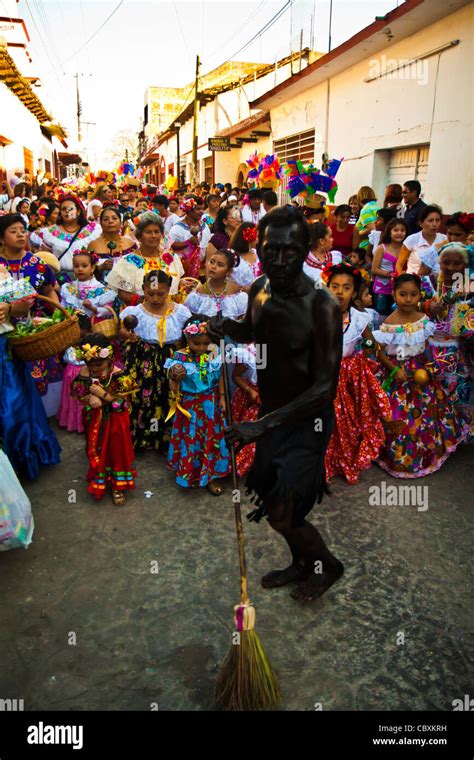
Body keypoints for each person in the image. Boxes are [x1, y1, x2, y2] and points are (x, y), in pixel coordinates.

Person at [208, 206, 344, 603]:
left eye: (291, 251)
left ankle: (326, 566)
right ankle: (302, 563)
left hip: (306, 423)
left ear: (306, 250)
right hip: (271, 416)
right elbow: (253, 331)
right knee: (273, 506)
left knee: (286, 513)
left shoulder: (323, 306)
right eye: (271, 251)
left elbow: (323, 388)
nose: (280, 261)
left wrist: (260, 427)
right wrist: (225, 329)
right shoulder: (260, 288)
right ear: (258, 249)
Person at [373, 274, 470, 477]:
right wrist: (394, 369)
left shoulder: (423, 319)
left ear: (419, 295)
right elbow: (378, 352)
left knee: (429, 414)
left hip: (421, 372)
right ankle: (398, 457)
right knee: (398, 418)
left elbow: (425, 345)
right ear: (393, 294)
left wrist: (430, 367)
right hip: (397, 376)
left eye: (413, 294)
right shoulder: (389, 323)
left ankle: (428, 452)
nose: (408, 299)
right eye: (402, 294)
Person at [0, 218, 61, 478]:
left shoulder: (36, 263)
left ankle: (25, 455)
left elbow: (38, 296)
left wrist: (13, 308)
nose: (20, 235)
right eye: (13, 231)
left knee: (19, 396)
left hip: (25, 335)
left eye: (22, 230)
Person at [322, 262, 392, 484]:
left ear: (354, 292)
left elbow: (370, 341)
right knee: (322, 422)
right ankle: (322, 464)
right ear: (327, 287)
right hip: (322, 376)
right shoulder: (317, 315)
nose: (340, 292)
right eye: (335, 286)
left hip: (349, 378)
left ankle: (343, 461)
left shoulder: (360, 318)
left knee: (346, 423)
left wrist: (371, 345)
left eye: (346, 287)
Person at [120, 270, 191, 452]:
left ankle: (164, 439)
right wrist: (126, 334)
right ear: (143, 289)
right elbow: (121, 331)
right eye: (150, 293)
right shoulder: (135, 312)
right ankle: (145, 437)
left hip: (170, 358)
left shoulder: (180, 312)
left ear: (169, 290)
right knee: (145, 399)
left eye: (161, 293)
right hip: (143, 359)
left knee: (167, 397)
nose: (155, 298)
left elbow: (187, 338)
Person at [165, 315, 230, 494]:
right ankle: (190, 473)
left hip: (211, 405)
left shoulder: (214, 355)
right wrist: (175, 378)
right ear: (188, 339)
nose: (202, 348)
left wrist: (223, 398)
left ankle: (210, 476)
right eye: (197, 344)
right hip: (189, 408)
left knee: (210, 439)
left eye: (205, 344)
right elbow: (172, 386)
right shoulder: (179, 359)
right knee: (191, 438)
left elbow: (220, 377)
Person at [71, 333, 138, 505]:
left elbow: (123, 404)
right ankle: (101, 478)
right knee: (98, 449)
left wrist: (104, 396)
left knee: (116, 451)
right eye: (90, 364)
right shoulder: (85, 373)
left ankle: (118, 485)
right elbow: (79, 394)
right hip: (95, 419)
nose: (94, 368)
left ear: (109, 358)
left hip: (116, 421)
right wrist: (89, 399)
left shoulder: (119, 375)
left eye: (98, 364)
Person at [421, 243, 473, 428]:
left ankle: (456, 433)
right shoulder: (426, 283)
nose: (450, 268)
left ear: (466, 266)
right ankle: (434, 435)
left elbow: (465, 330)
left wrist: (462, 306)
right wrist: (425, 306)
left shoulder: (470, 289)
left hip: (456, 354)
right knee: (430, 397)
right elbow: (402, 307)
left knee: (455, 396)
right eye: (446, 262)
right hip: (427, 352)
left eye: (457, 264)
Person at [107, 215, 186, 304]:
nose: (153, 236)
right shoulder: (128, 261)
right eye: (148, 232)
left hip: (172, 309)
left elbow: (179, 281)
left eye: (157, 232)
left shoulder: (171, 257)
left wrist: (183, 285)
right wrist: (144, 301)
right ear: (139, 237)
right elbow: (123, 292)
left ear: (162, 235)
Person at [30, 195, 101, 280]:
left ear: (78, 211)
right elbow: (45, 259)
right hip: (60, 279)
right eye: (63, 209)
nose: (67, 212)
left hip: (87, 280)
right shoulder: (50, 233)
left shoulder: (93, 230)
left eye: (71, 209)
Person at [185, 249, 247, 318]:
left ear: (229, 271)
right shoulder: (197, 295)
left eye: (220, 265)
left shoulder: (236, 294)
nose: (213, 267)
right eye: (211, 262)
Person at [229, 343, 260, 478]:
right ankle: (240, 463)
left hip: (271, 397)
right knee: (251, 433)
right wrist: (250, 391)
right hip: (250, 397)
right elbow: (235, 376)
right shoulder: (250, 352)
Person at [57, 314, 91, 433]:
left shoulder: (86, 343)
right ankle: (72, 422)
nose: (81, 336)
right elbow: (71, 358)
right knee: (72, 397)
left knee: (82, 398)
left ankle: (83, 422)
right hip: (72, 373)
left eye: (84, 334)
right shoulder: (67, 343)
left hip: (83, 372)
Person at [60, 249, 116, 319]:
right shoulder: (67, 287)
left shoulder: (103, 291)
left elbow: (108, 311)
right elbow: (62, 308)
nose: (80, 269)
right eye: (76, 266)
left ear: (92, 268)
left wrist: (91, 308)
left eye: (84, 266)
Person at [88, 206, 137, 280]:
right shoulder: (93, 245)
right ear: (101, 223)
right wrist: (101, 268)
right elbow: (86, 272)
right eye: (106, 219)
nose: (110, 221)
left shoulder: (130, 243)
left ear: (120, 222)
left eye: (114, 218)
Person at [418, 212, 474, 277]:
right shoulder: (434, 252)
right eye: (450, 234)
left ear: (467, 234)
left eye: (458, 235)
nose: (453, 239)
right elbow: (421, 276)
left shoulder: (471, 251)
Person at [372, 218, 409, 315]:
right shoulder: (381, 248)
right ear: (389, 232)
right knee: (381, 315)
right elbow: (374, 270)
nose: (399, 233)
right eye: (396, 230)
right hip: (382, 288)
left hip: (400, 289)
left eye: (402, 230)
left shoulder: (407, 249)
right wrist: (393, 275)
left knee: (397, 315)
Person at [396, 205, 446, 275]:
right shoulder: (411, 240)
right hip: (414, 282)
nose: (434, 224)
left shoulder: (444, 239)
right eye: (430, 220)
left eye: (437, 220)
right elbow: (399, 265)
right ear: (421, 223)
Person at [168, 197, 211, 277]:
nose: (202, 212)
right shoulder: (177, 227)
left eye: (202, 209)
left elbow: (209, 246)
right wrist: (188, 242)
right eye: (198, 209)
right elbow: (170, 245)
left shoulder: (205, 226)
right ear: (189, 211)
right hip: (183, 270)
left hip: (201, 270)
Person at [228, 222, 262, 288]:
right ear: (249, 237)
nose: (258, 240)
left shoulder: (256, 253)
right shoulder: (233, 257)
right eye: (257, 237)